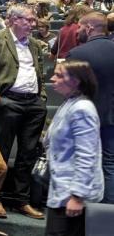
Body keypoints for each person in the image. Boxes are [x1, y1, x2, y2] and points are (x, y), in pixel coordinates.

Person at [0, 3, 46, 219]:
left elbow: (39, 74)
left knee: (28, 154)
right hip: (8, 101)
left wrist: (42, 98)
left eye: (33, 20)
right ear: (13, 19)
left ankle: (21, 201)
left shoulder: (35, 44)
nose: (32, 24)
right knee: (3, 152)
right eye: (28, 19)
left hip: (34, 104)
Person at [44, 60, 104, 236]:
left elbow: (87, 156)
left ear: (76, 81)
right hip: (62, 189)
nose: (53, 79)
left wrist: (77, 196)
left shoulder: (82, 109)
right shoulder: (70, 102)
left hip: (72, 194)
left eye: (59, 75)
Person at [67, 11, 114, 203]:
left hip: (84, 119)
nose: (77, 31)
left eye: (79, 27)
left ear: (89, 28)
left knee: (81, 162)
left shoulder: (77, 53)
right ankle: (107, 218)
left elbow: (69, 90)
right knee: (110, 166)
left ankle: (79, 212)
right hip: (112, 118)